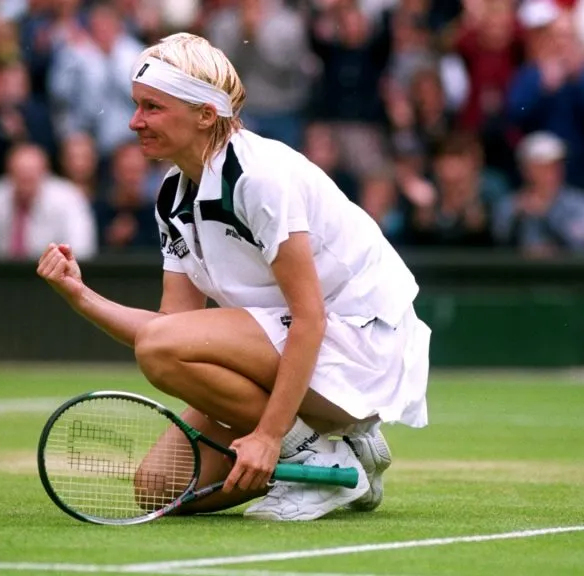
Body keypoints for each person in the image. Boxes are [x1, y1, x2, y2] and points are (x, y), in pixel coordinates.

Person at [35, 32, 432, 521]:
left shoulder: (258, 176)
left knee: (162, 350)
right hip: (299, 349)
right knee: (158, 490)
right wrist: (79, 295)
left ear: (205, 114)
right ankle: (348, 465)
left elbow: (309, 318)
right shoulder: (172, 195)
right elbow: (170, 325)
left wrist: (268, 437)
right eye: (137, 106)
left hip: (362, 348)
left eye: (153, 108)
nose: (135, 122)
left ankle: (312, 453)